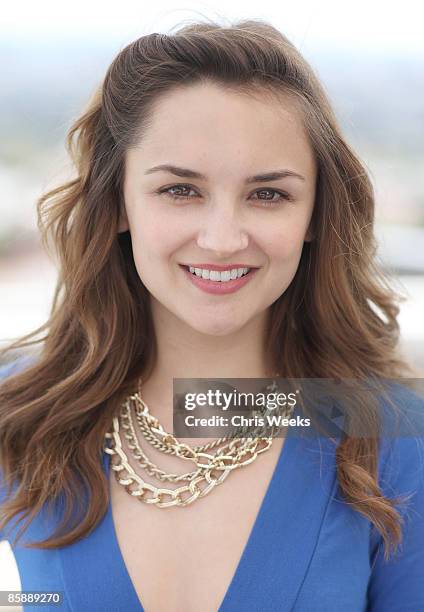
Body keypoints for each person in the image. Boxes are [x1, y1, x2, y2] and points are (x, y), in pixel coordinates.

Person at [1, 18, 423, 612]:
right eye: (180, 190)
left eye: (268, 194)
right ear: (118, 201)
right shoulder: (15, 418)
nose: (223, 239)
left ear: (314, 217)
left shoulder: (395, 440)